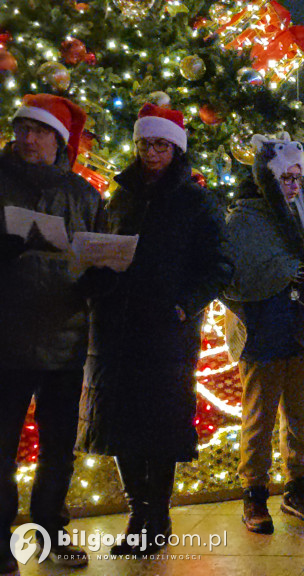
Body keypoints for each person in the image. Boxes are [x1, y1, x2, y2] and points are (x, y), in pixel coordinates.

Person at [77, 103, 232, 555]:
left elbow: (219, 265)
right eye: (145, 143)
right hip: (115, 327)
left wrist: (187, 304)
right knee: (120, 421)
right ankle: (137, 512)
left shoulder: (196, 200)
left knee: (160, 423)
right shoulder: (120, 195)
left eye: (161, 144)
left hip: (166, 330)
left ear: (176, 148)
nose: (151, 152)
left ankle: (156, 514)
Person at [222, 132, 304, 534]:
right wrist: (284, 270)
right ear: (267, 179)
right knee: (260, 414)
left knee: (299, 412)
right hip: (264, 331)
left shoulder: (303, 214)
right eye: (285, 178)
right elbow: (237, 273)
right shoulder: (244, 219)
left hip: (301, 328)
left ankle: (296, 485)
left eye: (298, 177)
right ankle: (254, 492)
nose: (293, 186)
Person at [0, 94, 99, 572]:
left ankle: (51, 533)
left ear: (58, 140)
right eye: (22, 129)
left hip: (64, 337)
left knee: (58, 448)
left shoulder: (83, 194)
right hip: (7, 339)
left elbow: (94, 255)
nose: (27, 138)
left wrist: (105, 272)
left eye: (37, 131)